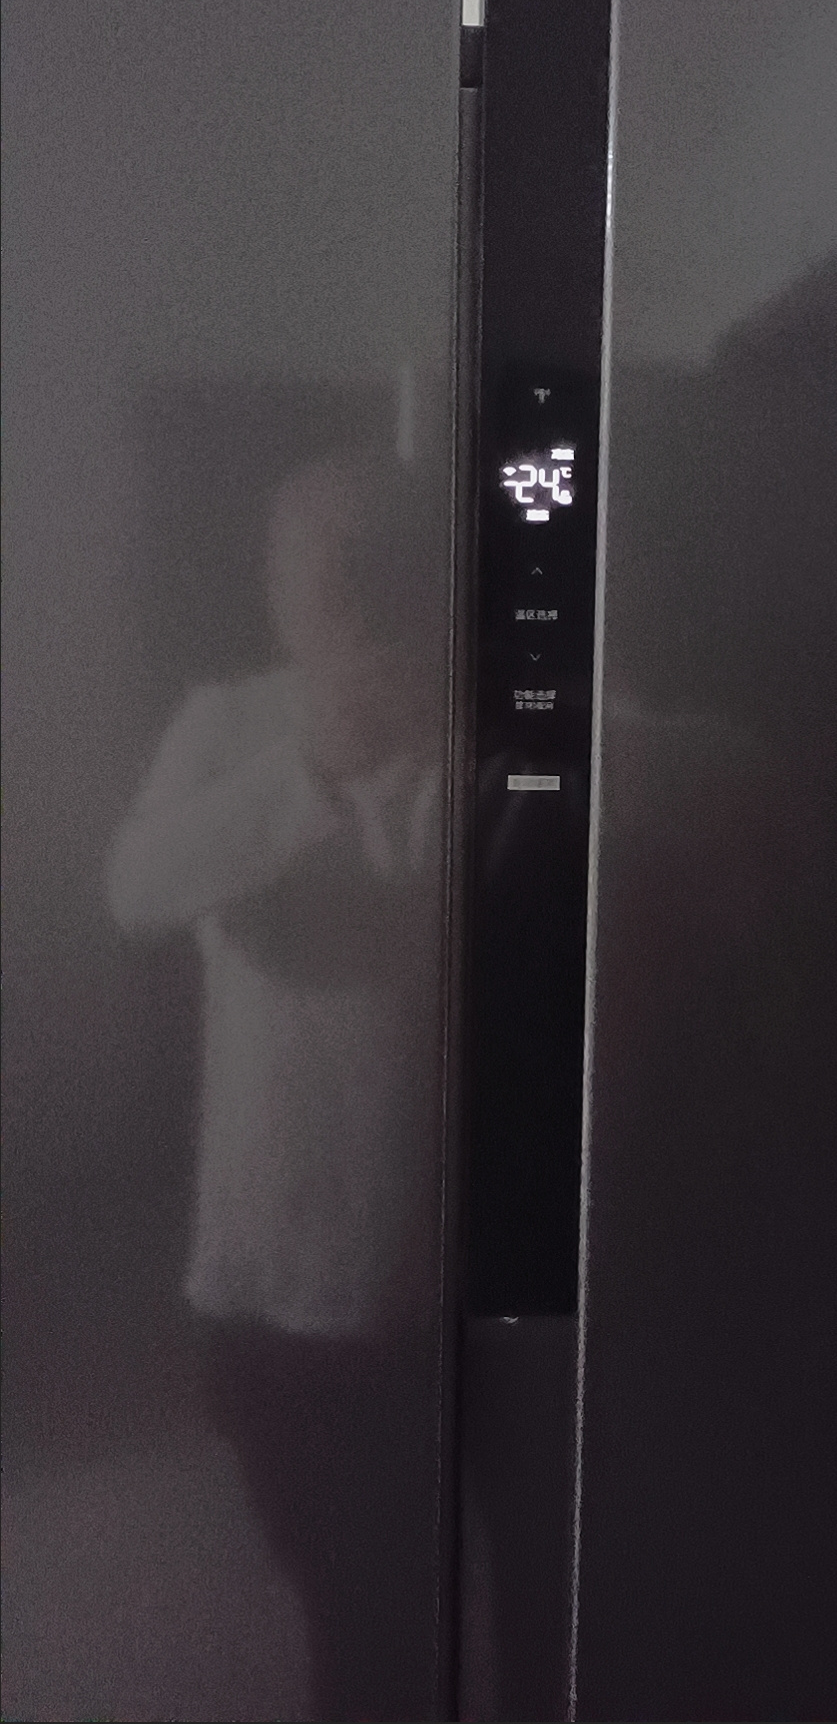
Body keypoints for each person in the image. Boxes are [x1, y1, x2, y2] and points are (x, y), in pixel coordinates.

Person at [107, 451, 444, 1723]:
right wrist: (308, 769)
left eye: (373, 548)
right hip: (272, 1262)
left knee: (403, 1605)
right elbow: (136, 890)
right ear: (275, 584)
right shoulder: (227, 721)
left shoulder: (498, 720)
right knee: (332, 1577)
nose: (345, 578)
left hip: (443, 1267)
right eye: (317, 552)